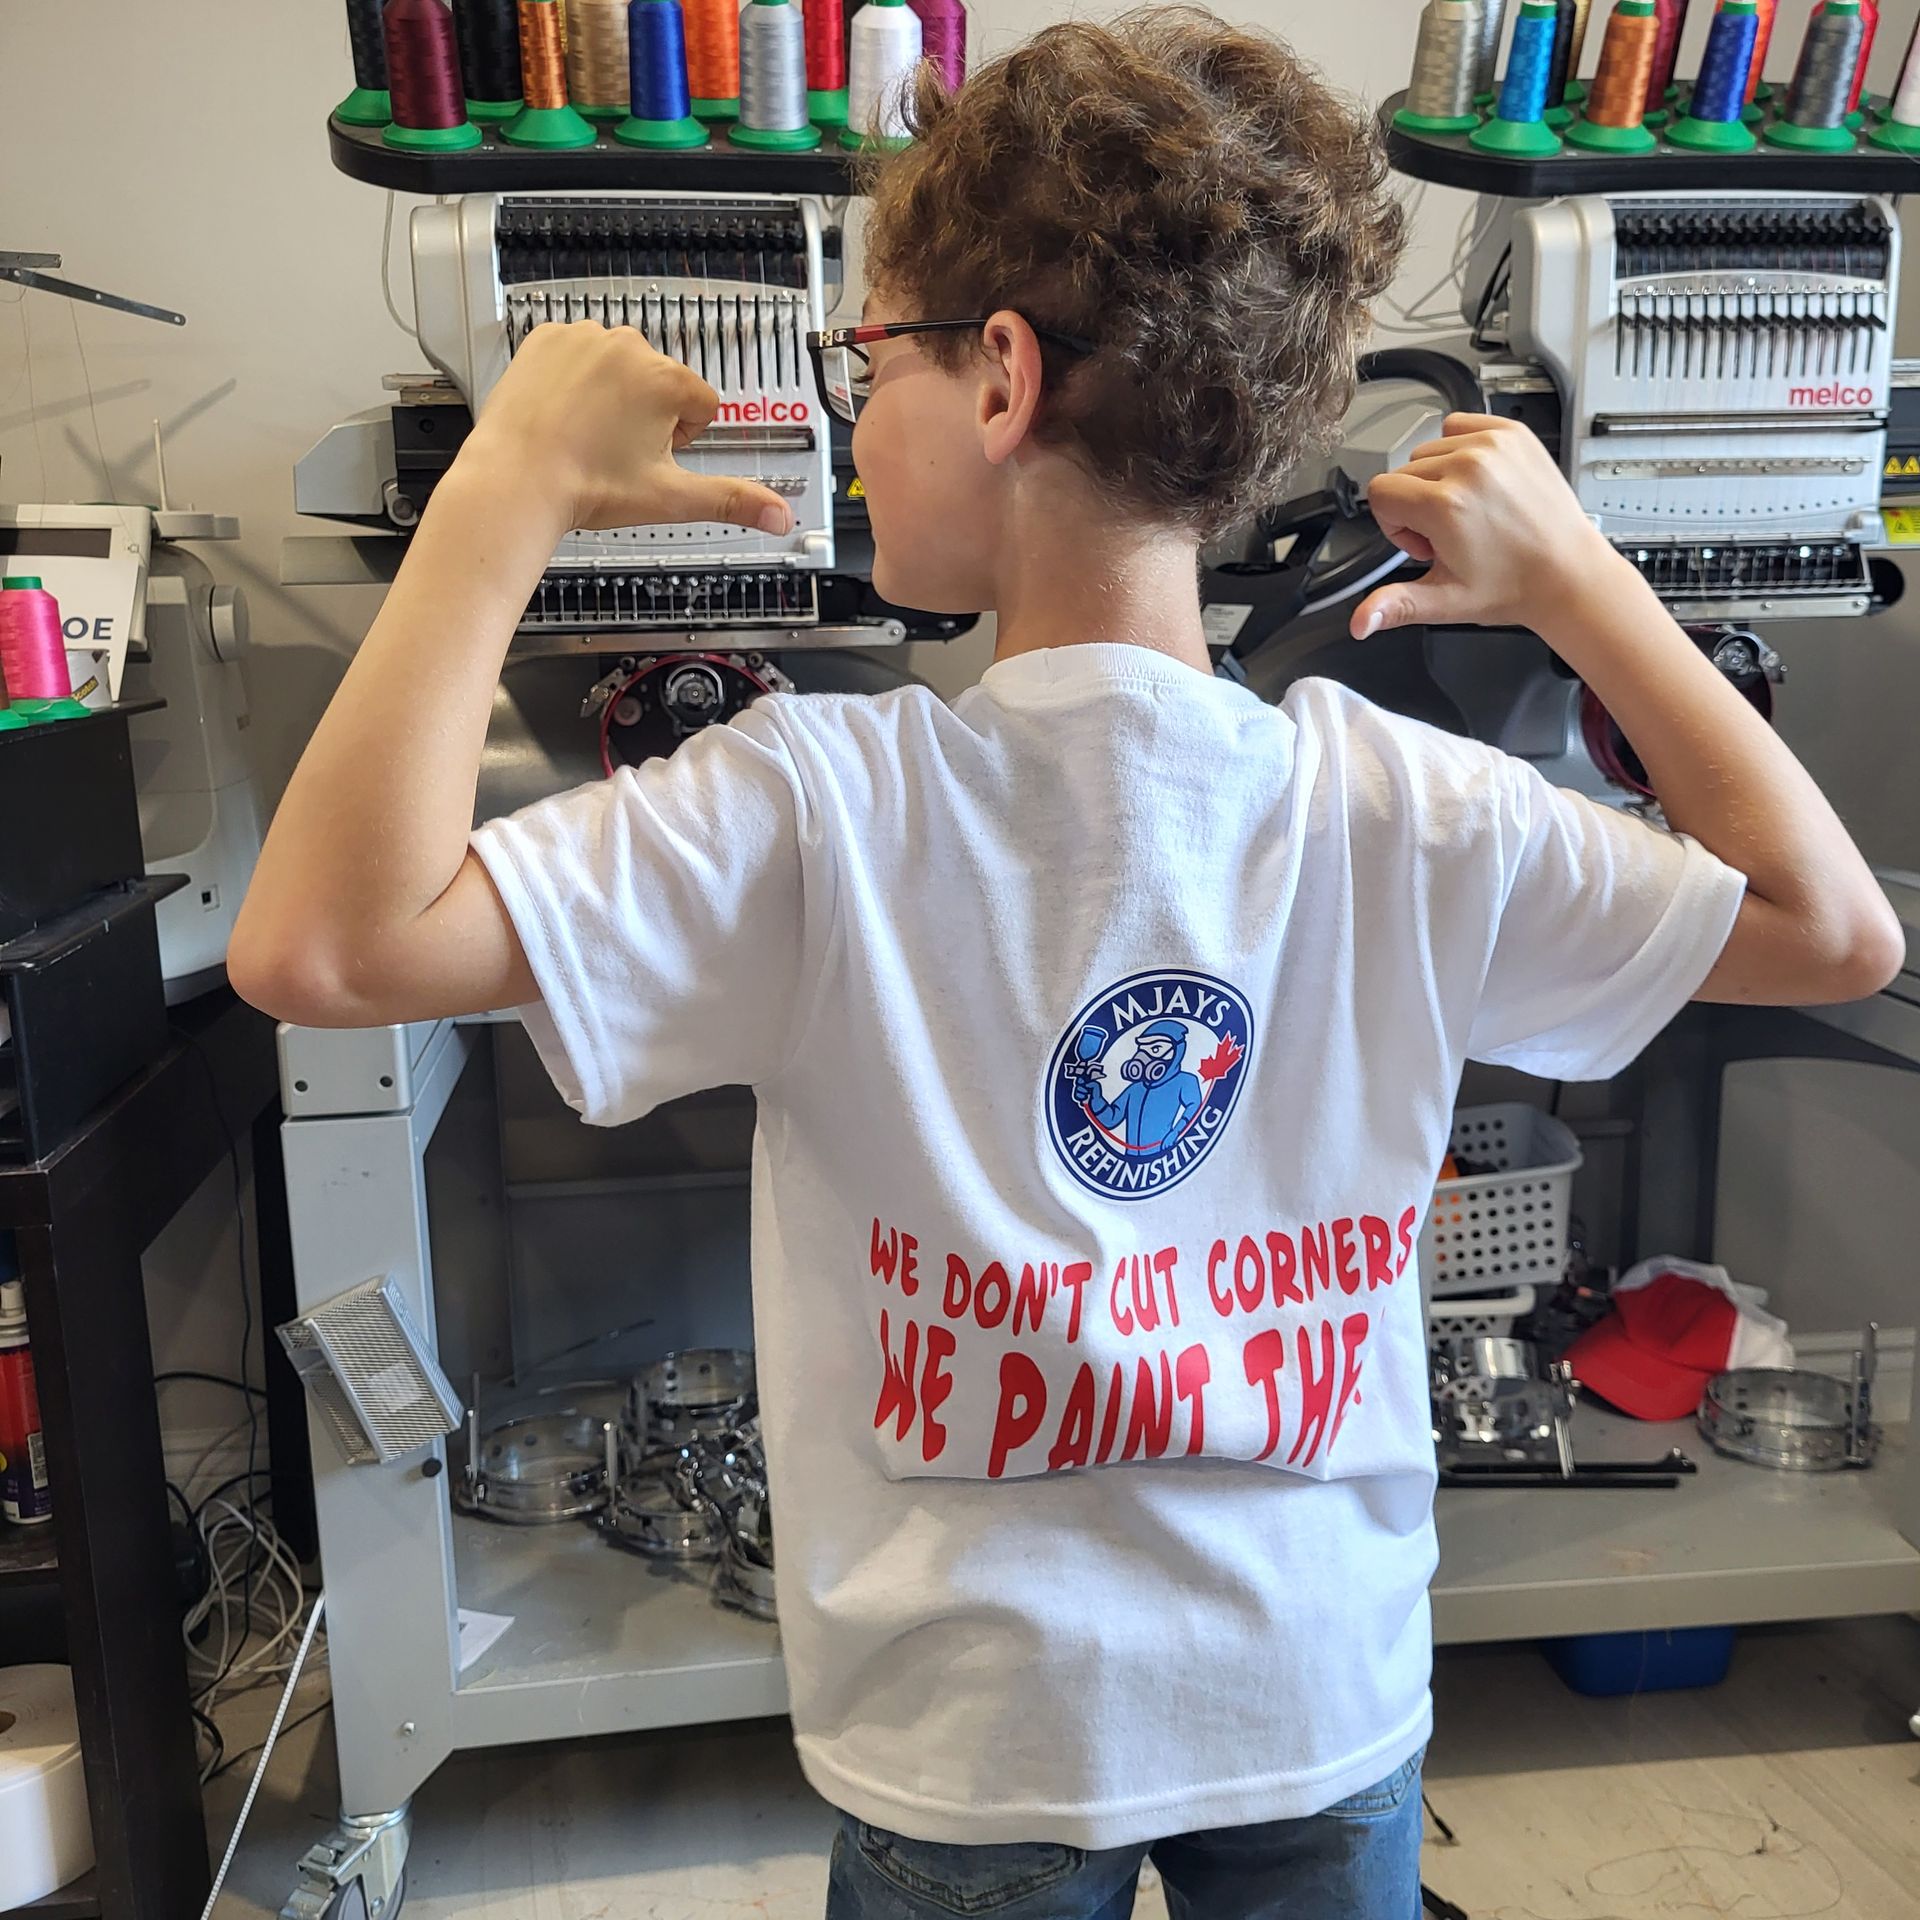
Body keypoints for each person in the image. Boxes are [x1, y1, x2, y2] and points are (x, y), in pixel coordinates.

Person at [231, 10, 1901, 1917]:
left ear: (1001, 376)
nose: (862, 426)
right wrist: (1588, 580)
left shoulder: (822, 804)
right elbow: (1831, 928)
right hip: (1319, 1691)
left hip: (975, 1733)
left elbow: (323, 946)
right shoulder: (1405, 805)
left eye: (877, 364)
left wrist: (502, 488)